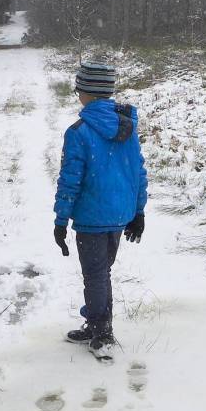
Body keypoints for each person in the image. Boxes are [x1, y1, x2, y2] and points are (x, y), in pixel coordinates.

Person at [53, 60, 148, 358]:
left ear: (86, 92)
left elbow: (70, 180)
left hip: (92, 217)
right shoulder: (126, 126)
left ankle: (102, 333)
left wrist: (60, 219)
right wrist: (138, 211)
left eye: (79, 87)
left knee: (94, 274)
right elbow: (138, 171)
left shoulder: (78, 132)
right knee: (101, 272)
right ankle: (95, 323)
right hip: (119, 215)